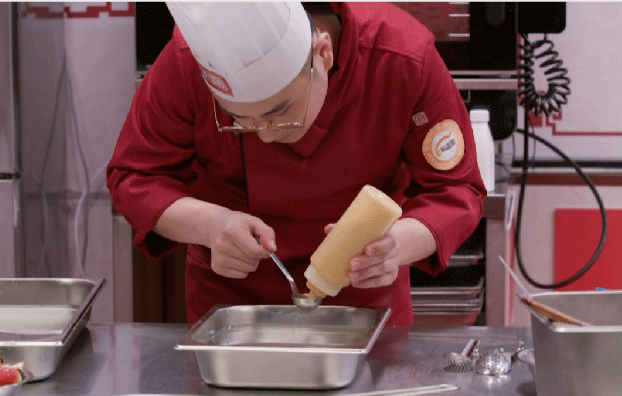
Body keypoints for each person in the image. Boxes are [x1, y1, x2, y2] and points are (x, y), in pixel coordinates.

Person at [106, 2, 486, 326]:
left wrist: (395, 247)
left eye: (280, 113)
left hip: (365, 302)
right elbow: (134, 176)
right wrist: (211, 225)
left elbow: (455, 189)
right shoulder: (187, 60)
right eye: (241, 121)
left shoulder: (400, 56)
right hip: (231, 306)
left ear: (324, 54)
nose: (265, 135)